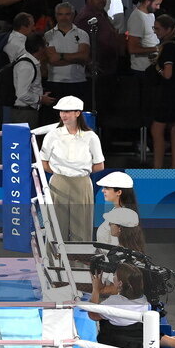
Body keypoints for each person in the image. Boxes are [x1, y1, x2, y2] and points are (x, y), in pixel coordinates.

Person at [39, 96, 105, 242]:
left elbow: (100, 165)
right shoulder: (52, 135)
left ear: (78, 113)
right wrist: (60, 172)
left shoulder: (90, 137)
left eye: (68, 111)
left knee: (82, 229)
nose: (64, 115)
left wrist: (80, 172)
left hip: (82, 184)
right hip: (58, 182)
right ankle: (55, 264)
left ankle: (80, 265)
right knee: (56, 227)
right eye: (61, 111)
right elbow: (42, 161)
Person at [149, 14, 175, 168]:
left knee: (156, 130)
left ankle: (158, 169)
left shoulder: (169, 47)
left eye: (157, 29)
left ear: (168, 29)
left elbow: (167, 73)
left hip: (167, 95)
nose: (155, 32)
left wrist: (157, 67)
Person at [43, 2, 91, 105]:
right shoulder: (48, 35)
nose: (63, 17)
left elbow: (84, 56)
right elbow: (52, 59)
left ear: (73, 15)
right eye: (60, 14)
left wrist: (60, 56)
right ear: (56, 16)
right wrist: (75, 59)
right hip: (55, 82)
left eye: (67, 14)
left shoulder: (82, 34)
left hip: (78, 82)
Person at [9, 32, 55, 126]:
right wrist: (40, 99)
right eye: (45, 45)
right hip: (24, 114)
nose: (47, 48)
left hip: (28, 112)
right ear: (40, 48)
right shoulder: (26, 66)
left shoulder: (31, 63)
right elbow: (22, 94)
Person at [126, 0, 164, 74]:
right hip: (142, 69)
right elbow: (132, 49)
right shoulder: (137, 19)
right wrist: (157, 49)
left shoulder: (151, 14)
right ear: (147, 2)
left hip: (152, 66)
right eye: (156, 4)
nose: (158, 7)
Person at [94, 172, 137, 246]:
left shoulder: (122, 216)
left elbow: (118, 248)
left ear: (119, 192)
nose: (103, 190)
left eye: (107, 188)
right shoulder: (117, 212)